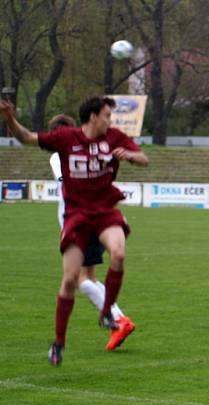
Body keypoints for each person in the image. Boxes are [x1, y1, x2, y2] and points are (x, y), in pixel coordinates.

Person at [0, 96, 149, 366]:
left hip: (104, 210)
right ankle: (59, 343)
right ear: (93, 116)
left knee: (118, 253)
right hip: (76, 216)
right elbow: (27, 138)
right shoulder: (66, 139)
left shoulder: (114, 137)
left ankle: (108, 314)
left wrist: (131, 156)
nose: (110, 120)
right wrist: (9, 119)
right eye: (106, 115)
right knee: (70, 280)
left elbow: (144, 158)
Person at [47, 114, 136, 352]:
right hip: (93, 218)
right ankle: (116, 319)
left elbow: (72, 180)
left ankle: (119, 320)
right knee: (89, 277)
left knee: (79, 279)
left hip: (80, 223)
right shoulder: (87, 150)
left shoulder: (59, 155)